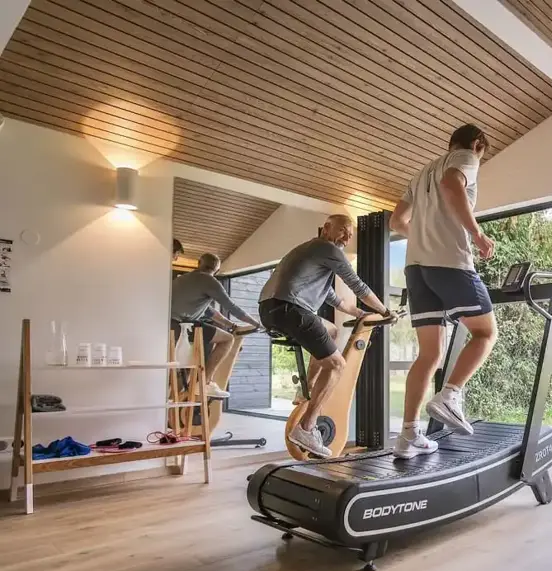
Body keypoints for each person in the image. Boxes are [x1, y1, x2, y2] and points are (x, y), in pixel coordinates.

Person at [388, 124, 497, 459]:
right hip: (450, 262)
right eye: (483, 151)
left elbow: (396, 222)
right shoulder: (465, 157)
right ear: (477, 144)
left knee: (430, 354)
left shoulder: (422, 173)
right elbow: (452, 185)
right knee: (485, 333)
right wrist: (477, 236)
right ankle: (450, 394)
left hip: (416, 269)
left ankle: (408, 436)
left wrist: (423, 236)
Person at [258, 214, 390, 457]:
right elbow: (358, 286)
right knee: (337, 365)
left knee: (330, 330)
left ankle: (306, 387)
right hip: (291, 309)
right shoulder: (326, 247)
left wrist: (361, 312)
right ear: (327, 228)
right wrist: (385, 311)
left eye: (350, 234)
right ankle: (307, 428)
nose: (347, 237)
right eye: (343, 230)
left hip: (271, 310)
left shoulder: (310, 252)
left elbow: (333, 297)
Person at [170, 253, 262, 399]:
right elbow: (232, 307)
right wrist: (256, 323)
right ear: (217, 270)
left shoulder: (182, 279)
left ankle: (173, 404)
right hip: (183, 326)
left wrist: (231, 325)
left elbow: (209, 312)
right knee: (227, 339)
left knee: (188, 368)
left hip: (170, 327)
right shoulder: (210, 281)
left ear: (198, 263)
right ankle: (205, 383)